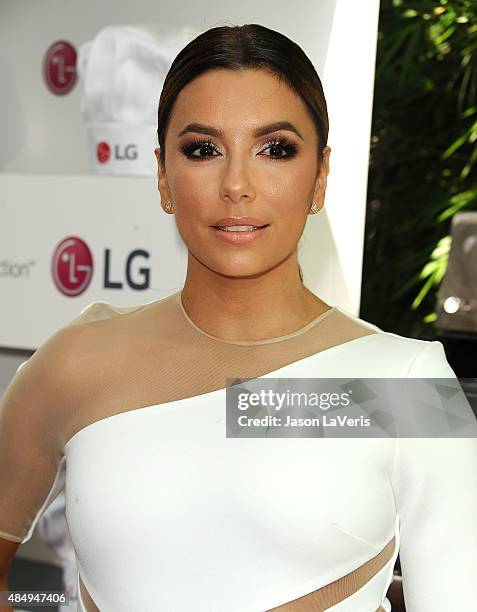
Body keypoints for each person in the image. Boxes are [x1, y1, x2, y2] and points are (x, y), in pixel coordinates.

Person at [1, 23, 476, 612]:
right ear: (162, 177)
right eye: (203, 149)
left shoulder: (404, 384)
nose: (237, 185)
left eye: (275, 149)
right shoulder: (78, 362)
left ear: (321, 175)